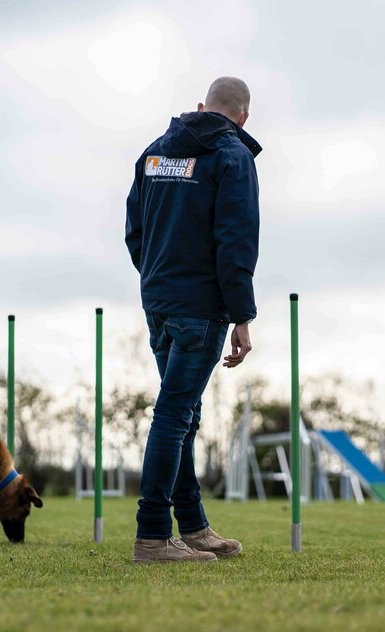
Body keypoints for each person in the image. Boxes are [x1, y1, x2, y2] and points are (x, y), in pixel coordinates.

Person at [125, 76, 261, 563]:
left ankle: (194, 527)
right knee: (175, 414)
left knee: (182, 414)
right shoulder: (233, 157)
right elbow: (236, 242)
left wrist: (159, 282)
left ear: (203, 106)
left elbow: (134, 232)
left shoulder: (154, 154)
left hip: (159, 301)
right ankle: (154, 536)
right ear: (243, 117)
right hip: (200, 309)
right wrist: (242, 315)